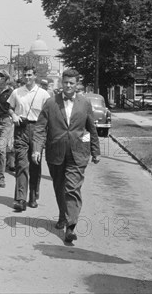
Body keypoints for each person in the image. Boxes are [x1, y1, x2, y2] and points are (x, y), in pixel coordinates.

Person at [33, 69, 100, 243]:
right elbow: (40, 128)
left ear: (77, 84)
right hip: (55, 152)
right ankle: (63, 215)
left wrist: (95, 151)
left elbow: (91, 128)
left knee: (72, 188)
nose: (68, 86)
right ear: (61, 83)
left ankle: (70, 226)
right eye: (65, 83)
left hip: (78, 152)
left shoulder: (84, 103)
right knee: (59, 187)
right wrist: (36, 149)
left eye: (72, 83)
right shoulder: (50, 103)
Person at [7, 66, 50, 212]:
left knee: (35, 164)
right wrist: (13, 115)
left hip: (38, 130)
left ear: (35, 76)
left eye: (30, 75)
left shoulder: (44, 94)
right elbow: (10, 107)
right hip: (21, 130)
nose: (27, 77)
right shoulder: (16, 92)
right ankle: (20, 199)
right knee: (21, 164)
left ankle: (33, 195)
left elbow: (49, 115)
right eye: (25, 75)